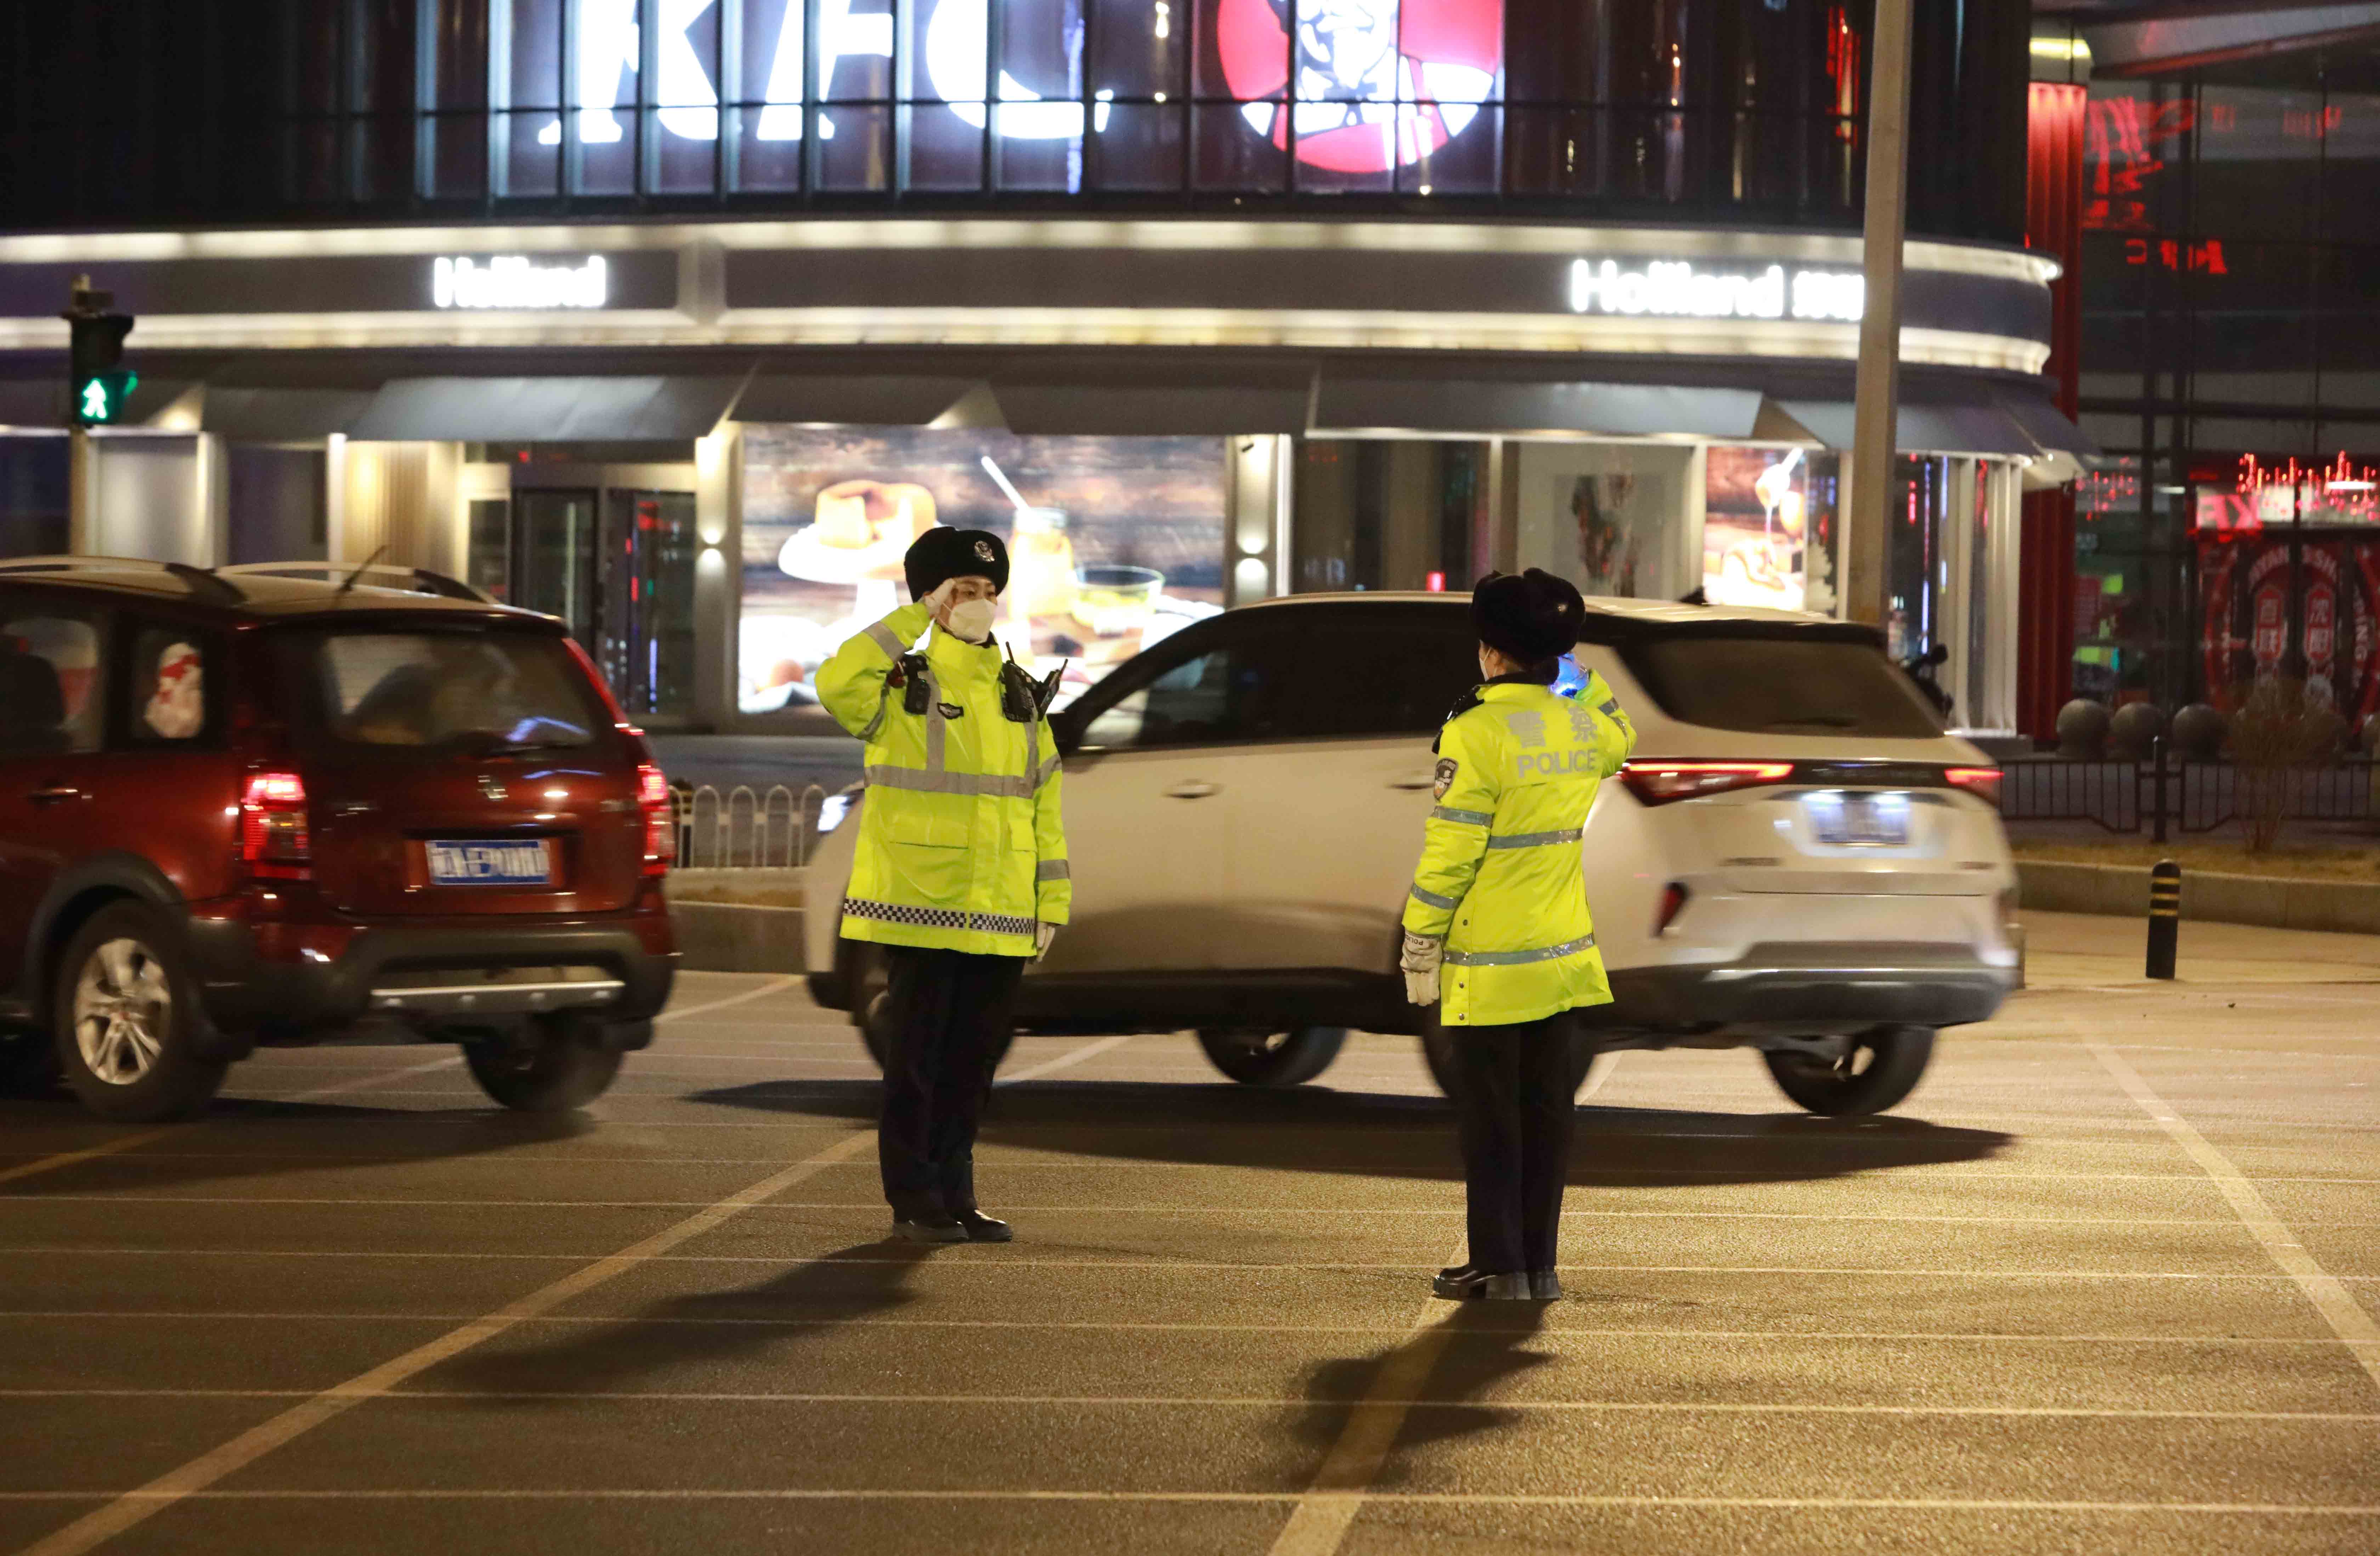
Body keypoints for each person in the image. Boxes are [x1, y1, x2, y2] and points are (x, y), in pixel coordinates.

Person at [815, 528, 1071, 1245]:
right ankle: (914, 1194)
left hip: (998, 915)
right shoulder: (902, 684)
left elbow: (1043, 803)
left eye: (988, 592)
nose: (979, 604)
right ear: (932, 596)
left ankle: (957, 1190)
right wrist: (911, 621)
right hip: (922, 909)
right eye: (963, 591)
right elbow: (835, 681)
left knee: (972, 1066)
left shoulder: (1017, 692)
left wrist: (1051, 902)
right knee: (918, 1064)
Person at [1400, 569, 1636, 1301]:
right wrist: (1576, 674)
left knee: (1492, 1122)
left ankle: (1497, 1264)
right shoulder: (1581, 726)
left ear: (1492, 652)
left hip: (1489, 965)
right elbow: (1623, 736)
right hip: (1562, 961)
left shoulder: (1474, 733)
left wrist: (1419, 943)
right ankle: (1539, 1265)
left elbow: (1452, 854)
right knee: (1547, 1118)